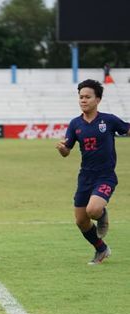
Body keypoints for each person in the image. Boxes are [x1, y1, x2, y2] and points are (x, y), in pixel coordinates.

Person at [55, 79, 130, 265]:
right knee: (81, 221)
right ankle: (101, 249)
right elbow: (67, 151)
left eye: (87, 97)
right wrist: (62, 148)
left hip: (105, 176)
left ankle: (102, 215)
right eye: (81, 97)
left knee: (93, 210)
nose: (83, 100)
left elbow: (127, 129)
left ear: (98, 99)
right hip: (85, 177)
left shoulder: (109, 120)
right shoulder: (75, 124)